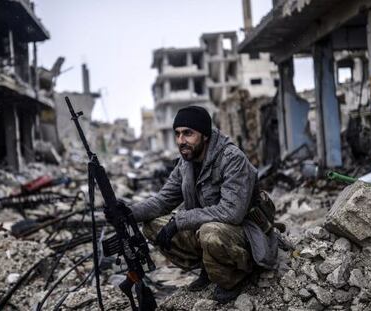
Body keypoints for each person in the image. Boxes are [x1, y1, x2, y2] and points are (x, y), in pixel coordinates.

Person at [108, 106, 278, 303]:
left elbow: (233, 212)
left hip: (246, 232)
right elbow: (163, 200)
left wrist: (179, 221)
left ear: (204, 135)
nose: (181, 141)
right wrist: (128, 212)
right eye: (178, 134)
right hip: (213, 229)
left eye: (188, 133)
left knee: (209, 232)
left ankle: (235, 277)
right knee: (152, 225)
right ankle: (210, 268)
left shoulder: (232, 158)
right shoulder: (186, 162)